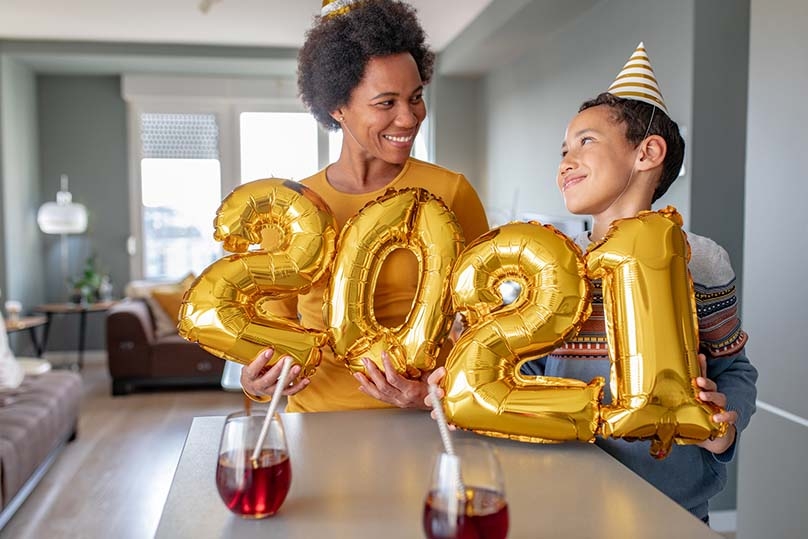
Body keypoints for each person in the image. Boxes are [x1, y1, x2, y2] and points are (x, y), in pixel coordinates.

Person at [427, 43, 757, 523]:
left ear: (648, 152)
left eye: (585, 142)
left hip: (672, 507)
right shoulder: (550, 265)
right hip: (560, 497)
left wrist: (725, 425)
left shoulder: (700, 261)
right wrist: (469, 388)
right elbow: (528, 380)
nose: (565, 161)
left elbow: (735, 370)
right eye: (563, 150)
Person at [240, 0, 489, 413]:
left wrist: (434, 393)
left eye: (416, 97)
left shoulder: (451, 192)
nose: (409, 118)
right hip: (317, 423)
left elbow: (486, 328)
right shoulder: (291, 208)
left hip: (425, 423)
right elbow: (270, 333)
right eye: (386, 103)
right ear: (337, 106)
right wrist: (256, 382)